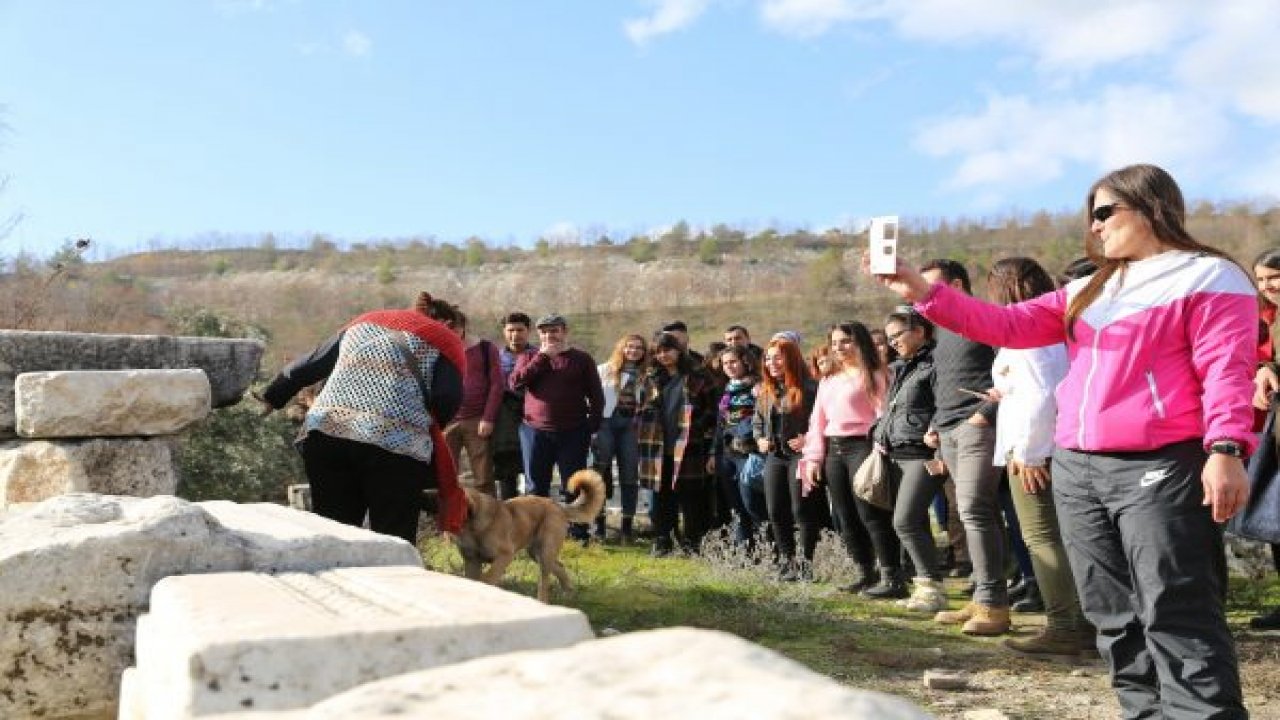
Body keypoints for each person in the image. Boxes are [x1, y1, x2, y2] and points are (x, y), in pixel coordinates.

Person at [870, 163, 1254, 719]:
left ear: (1151, 207)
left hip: (1160, 461)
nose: (1094, 227)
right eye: (1090, 217)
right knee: (1112, 613)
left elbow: (1227, 369)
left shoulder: (1208, 275)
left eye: (1104, 212)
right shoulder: (1090, 288)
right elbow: (1004, 325)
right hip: (1077, 466)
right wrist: (921, 292)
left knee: (1175, 605)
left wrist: (1225, 448)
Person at [258, 292, 466, 544]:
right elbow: (447, 396)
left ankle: (331, 580)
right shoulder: (446, 339)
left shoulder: (366, 320)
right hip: (395, 445)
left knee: (333, 531)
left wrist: (273, 396)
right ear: (450, 324)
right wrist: (429, 424)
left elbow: (310, 363)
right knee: (392, 539)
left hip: (328, 433)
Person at [982, 257, 1091, 657]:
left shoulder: (1026, 331)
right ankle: (1081, 621)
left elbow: (1042, 396)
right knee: (1062, 538)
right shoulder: (1055, 326)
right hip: (1053, 443)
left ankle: (1066, 625)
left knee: (1042, 538)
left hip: (1037, 450)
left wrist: (1028, 454)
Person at [916, 258, 1007, 635]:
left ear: (955, 284)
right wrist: (936, 424)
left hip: (976, 426)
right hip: (949, 429)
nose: (926, 297)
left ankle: (993, 606)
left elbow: (1012, 368)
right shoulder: (941, 330)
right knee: (966, 512)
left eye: (932, 287)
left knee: (975, 510)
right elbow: (944, 380)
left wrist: (984, 413)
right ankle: (982, 596)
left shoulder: (986, 317)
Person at [799, 322, 886, 594]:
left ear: (860, 342)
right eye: (834, 343)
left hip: (864, 446)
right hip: (834, 451)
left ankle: (892, 574)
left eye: (845, 341)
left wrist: (880, 451)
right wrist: (813, 458)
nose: (839, 348)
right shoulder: (828, 380)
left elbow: (883, 415)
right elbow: (817, 421)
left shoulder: (876, 374)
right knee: (845, 516)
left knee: (870, 514)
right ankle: (865, 572)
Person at [874, 309, 947, 612]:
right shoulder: (901, 367)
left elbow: (946, 403)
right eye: (888, 339)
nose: (892, 343)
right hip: (896, 453)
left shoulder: (936, 363)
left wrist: (938, 431)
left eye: (897, 336)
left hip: (923, 454)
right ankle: (929, 589)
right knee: (914, 521)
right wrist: (879, 433)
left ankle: (931, 587)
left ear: (919, 331)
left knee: (904, 521)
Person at [509, 314, 605, 519]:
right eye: (544, 331)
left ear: (564, 332)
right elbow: (515, 383)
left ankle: (578, 533)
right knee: (535, 487)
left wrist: (591, 428)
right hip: (534, 431)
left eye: (554, 330)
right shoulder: (528, 357)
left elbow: (597, 397)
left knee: (574, 485)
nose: (549, 335)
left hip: (573, 431)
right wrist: (542, 358)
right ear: (538, 334)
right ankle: (536, 530)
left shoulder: (581, 359)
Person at [636, 331, 719, 555]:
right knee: (661, 497)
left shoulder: (699, 376)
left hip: (690, 447)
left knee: (691, 498)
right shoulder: (650, 378)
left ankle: (692, 544)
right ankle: (663, 542)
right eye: (659, 351)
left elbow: (714, 409)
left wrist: (698, 428)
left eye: (668, 350)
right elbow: (639, 410)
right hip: (657, 447)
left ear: (678, 351)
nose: (663, 355)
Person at [754, 337, 828, 580]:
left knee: (802, 510)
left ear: (791, 358)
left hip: (802, 456)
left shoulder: (811, 388)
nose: (772, 362)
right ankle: (787, 562)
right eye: (768, 358)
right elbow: (757, 422)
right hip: (775, 456)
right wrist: (759, 440)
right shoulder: (766, 389)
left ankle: (807, 564)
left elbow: (826, 419)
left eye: (778, 357)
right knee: (775, 510)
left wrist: (808, 438)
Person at [1247, 248, 1280, 631]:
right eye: (1260, 279)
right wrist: (1263, 369)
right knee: (1276, 521)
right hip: (1269, 431)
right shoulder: (1263, 319)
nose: (1267, 286)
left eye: (1274, 276)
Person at [442, 312, 504, 496]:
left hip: (477, 419)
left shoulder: (486, 348)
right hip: (447, 420)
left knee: (483, 476)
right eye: (446, 328)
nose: (450, 332)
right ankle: (449, 519)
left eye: (454, 328)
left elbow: (497, 384)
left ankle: (489, 518)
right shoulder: (438, 349)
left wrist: (488, 417)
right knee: (445, 475)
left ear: (463, 326)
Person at [594, 333, 647, 543]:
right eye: (630, 347)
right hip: (606, 423)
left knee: (629, 475)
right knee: (599, 474)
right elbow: (591, 399)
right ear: (621, 348)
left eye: (639, 348)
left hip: (631, 426)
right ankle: (599, 527)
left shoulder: (647, 374)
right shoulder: (604, 370)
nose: (633, 351)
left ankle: (626, 528)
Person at [710, 344, 764, 545]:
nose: (729, 366)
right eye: (725, 363)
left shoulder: (758, 387)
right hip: (726, 454)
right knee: (736, 507)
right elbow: (720, 423)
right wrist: (712, 454)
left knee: (751, 504)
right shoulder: (726, 389)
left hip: (748, 453)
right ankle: (744, 553)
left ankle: (767, 549)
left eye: (733, 361)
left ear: (745, 362)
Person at [492, 312, 537, 499]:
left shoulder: (538, 356)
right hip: (504, 421)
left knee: (534, 470)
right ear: (504, 331)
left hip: (533, 417)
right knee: (506, 473)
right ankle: (508, 520)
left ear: (528, 331)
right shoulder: (495, 357)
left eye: (520, 330)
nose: (515, 334)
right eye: (511, 330)